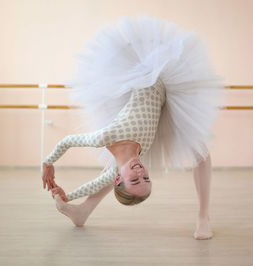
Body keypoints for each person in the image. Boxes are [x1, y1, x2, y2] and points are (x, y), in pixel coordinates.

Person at [41, 16, 224, 240]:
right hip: (166, 98)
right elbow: (96, 183)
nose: (140, 173)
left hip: (150, 75)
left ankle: (203, 216)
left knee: (198, 148)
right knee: (199, 147)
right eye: (145, 178)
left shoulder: (106, 137)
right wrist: (68, 197)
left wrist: (49, 164)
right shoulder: (134, 159)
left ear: (118, 178)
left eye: (135, 179)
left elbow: (68, 142)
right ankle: (83, 211)